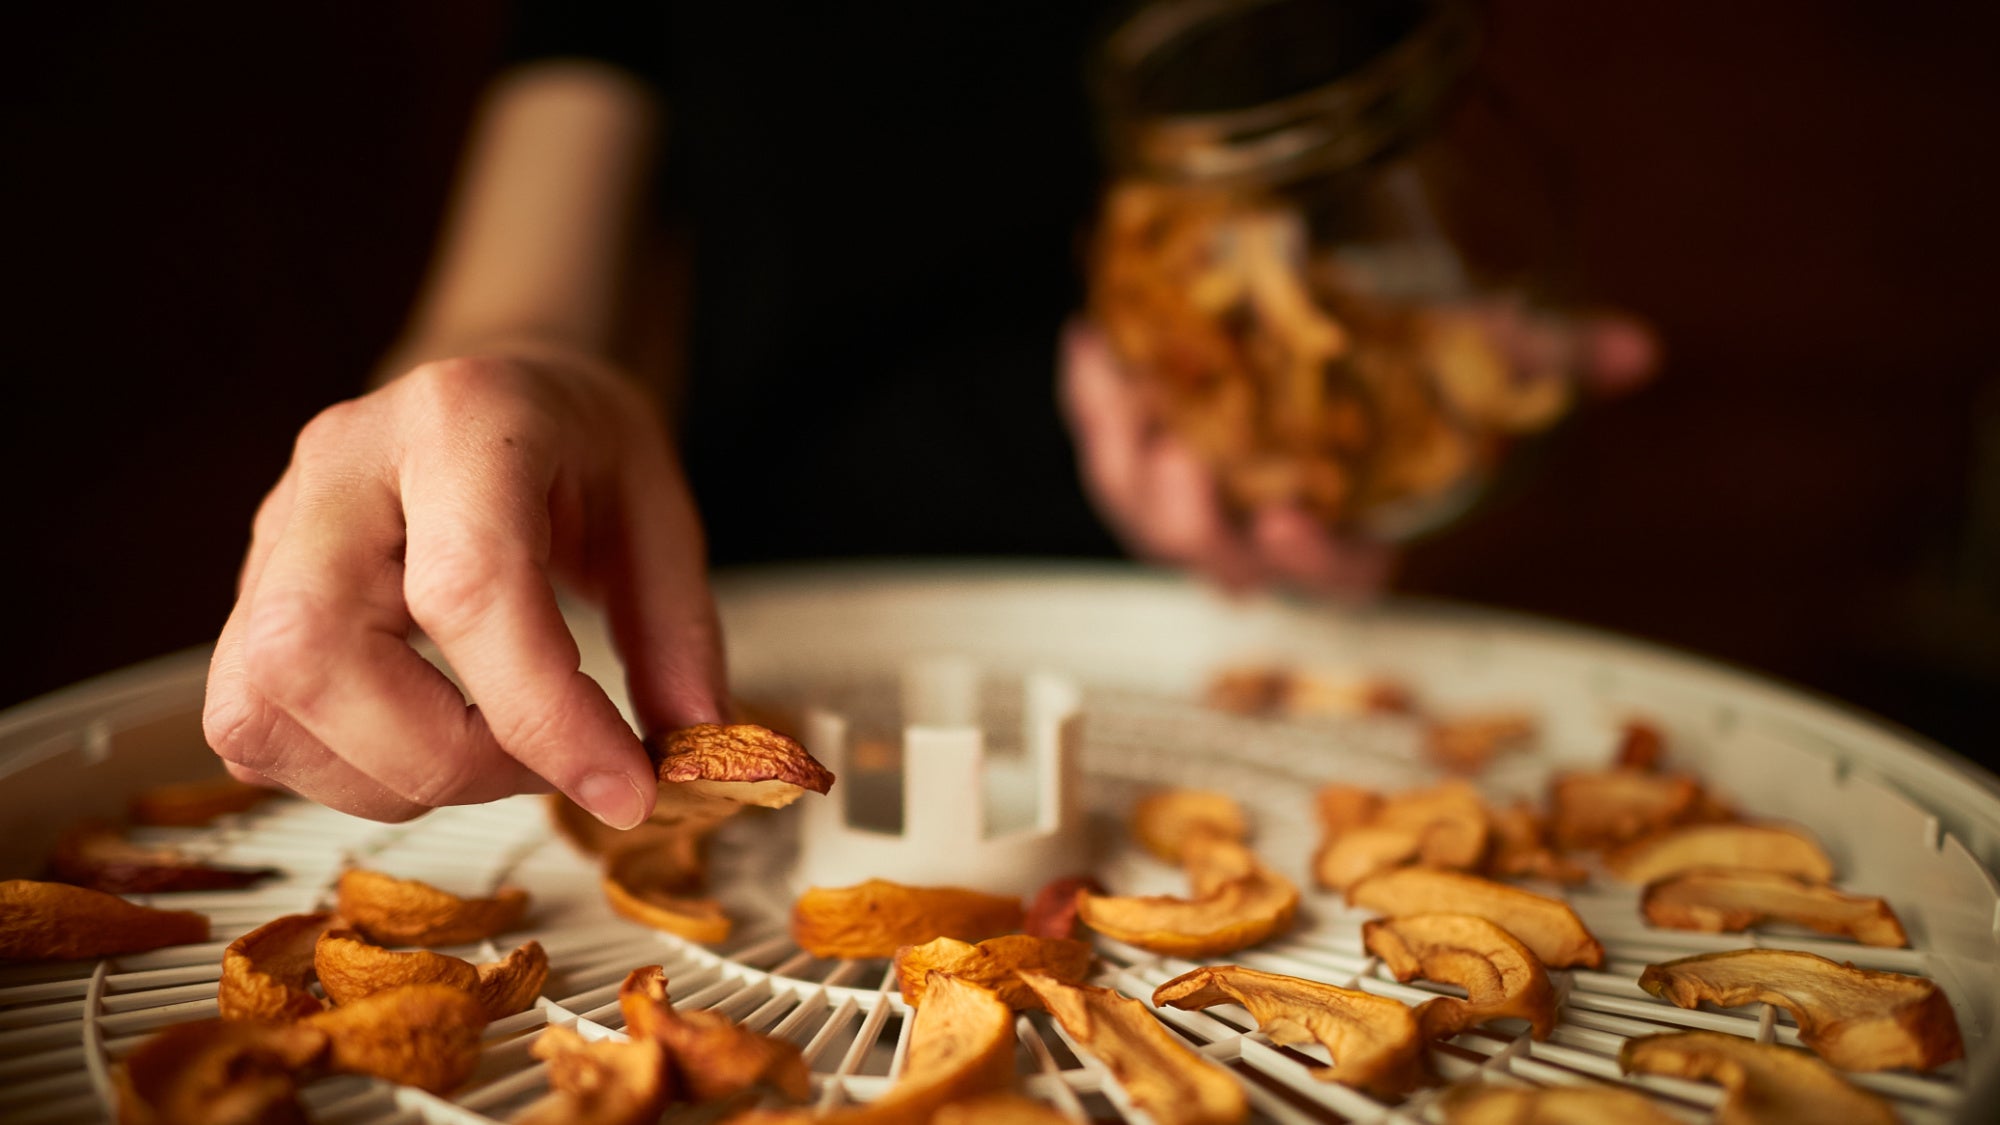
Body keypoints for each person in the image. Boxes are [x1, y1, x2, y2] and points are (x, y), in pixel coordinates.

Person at [201, 2, 1654, 832]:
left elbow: (1340, 291)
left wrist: (1352, 459)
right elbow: (509, 305)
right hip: (743, 644)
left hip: (1187, 671)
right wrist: (493, 403)